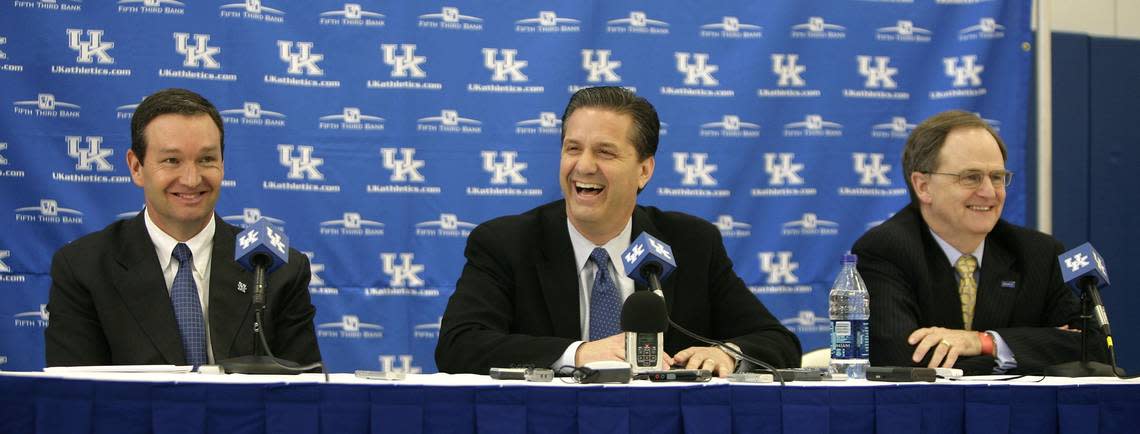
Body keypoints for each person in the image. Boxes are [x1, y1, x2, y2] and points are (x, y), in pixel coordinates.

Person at [435, 86, 801, 376]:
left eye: (605, 152)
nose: (584, 166)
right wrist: (579, 353)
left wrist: (726, 354)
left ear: (644, 170)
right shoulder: (506, 244)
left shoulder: (691, 243)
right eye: (572, 148)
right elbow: (459, 346)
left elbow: (777, 342)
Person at [45, 88, 321, 367]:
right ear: (136, 167)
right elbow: (76, 399)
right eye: (172, 161)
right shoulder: (84, 268)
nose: (191, 179)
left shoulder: (278, 267)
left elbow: (302, 397)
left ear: (222, 165)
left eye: (206, 159)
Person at [852, 110, 1103, 374]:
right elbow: (906, 363)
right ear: (923, 186)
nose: (989, 192)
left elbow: (1094, 350)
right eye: (971, 177)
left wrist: (985, 341)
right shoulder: (885, 250)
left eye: (997, 177)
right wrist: (1028, 351)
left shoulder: (1038, 253)